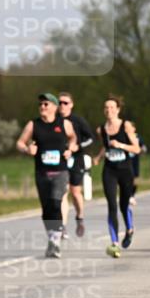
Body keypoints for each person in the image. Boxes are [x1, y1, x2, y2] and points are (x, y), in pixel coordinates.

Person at [16, 93, 78, 258]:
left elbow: (73, 138)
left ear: (55, 107)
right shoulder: (33, 124)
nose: (42, 107)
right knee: (46, 208)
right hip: (42, 172)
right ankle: (52, 238)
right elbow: (20, 142)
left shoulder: (64, 124)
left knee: (56, 202)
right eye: (40, 104)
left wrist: (70, 149)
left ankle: (55, 242)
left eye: (46, 104)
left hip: (60, 172)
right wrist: (27, 149)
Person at [93, 95, 140, 258]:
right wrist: (98, 158)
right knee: (112, 205)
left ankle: (129, 229)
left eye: (112, 107)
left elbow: (136, 149)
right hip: (109, 170)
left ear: (118, 109)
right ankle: (114, 242)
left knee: (123, 204)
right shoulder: (101, 129)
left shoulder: (125, 125)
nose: (109, 110)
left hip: (125, 170)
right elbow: (105, 147)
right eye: (106, 107)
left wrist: (120, 145)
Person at [57, 92, 94, 237]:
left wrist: (78, 146)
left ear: (71, 105)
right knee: (63, 192)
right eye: (60, 102)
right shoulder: (54, 120)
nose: (62, 105)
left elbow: (90, 138)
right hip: (60, 160)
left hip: (76, 159)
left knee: (75, 192)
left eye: (65, 103)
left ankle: (80, 217)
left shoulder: (78, 120)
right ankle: (63, 226)